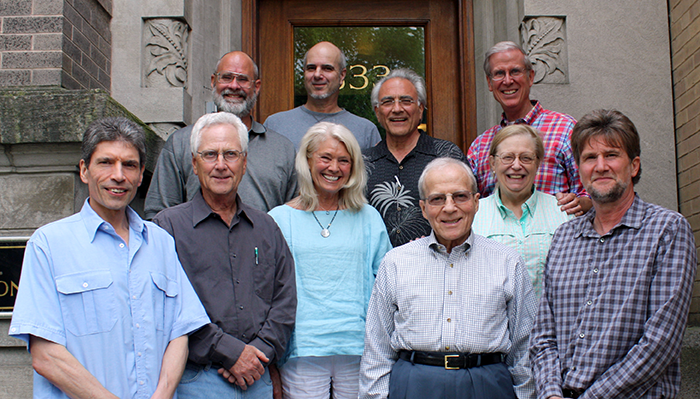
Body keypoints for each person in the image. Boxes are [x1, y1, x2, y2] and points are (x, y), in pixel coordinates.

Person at [8, 117, 209, 399]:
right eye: (106, 162)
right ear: (84, 170)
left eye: (129, 165)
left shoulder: (161, 242)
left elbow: (179, 334)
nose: (119, 175)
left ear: (141, 176)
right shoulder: (49, 244)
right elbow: (45, 356)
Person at [529, 109, 697, 399]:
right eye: (590, 158)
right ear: (579, 169)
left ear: (634, 165)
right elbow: (543, 336)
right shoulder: (564, 237)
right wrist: (551, 394)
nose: (601, 166)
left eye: (612, 155)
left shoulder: (667, 230)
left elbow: (661, 342)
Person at [359, 157, 536, 399]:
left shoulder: (507, 262)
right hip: (414, 386)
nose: (450, 207)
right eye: (437, 199)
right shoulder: (396, 263)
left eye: (460, 196)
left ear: (476, 202)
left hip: (488, 386)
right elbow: (377, 350)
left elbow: (524, 348)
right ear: (423, 208)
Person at [152, 112, 297, 399]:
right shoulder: (167, 229)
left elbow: (285, 298)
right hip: (196, 379)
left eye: (230, 154)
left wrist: (257, 355)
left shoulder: (266, 227)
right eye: (210, 155)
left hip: (258, 377)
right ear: (194, 164)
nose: (220, 165)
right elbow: (169, 307)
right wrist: (231, 354)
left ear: (244, 163)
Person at [268, 122, 392, 398]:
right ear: (308, 160)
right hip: (302, 351)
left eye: (343, 160)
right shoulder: (279, 219)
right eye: (325, 157)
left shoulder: (368, 218)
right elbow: (268, 291)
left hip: (359, 350)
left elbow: (385, 286)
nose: (334, 168)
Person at [145, 51, 297, 217]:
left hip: (263, 242)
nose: (233, 86)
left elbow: (293, 219)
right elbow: (159, 215)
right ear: (213, 81)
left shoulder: (282, 149)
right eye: (226, 77)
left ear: (257, 87)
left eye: (243, 79)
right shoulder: (181, 143)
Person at [467, 41, 590, 216]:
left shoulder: (566, 130)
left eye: (515, 71)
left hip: (556, 239)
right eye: (499, 73)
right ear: (489, 82)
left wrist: (581, 203)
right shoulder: (480, 147)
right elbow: (467, 203)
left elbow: (592, 192)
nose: (508, 81)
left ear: (530, 77)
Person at [364, 68, 467, 246]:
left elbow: (465, 210)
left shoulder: (446, 155)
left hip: (438, 267)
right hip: (375, 271)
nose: (397, 109)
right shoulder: (362, 164)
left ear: (420, 109)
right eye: (388, 102)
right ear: (377, 112)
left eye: (406, 101)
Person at [471, 124, 572, 298]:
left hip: (548, 324)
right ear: (492, 163)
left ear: (538, 163)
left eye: (526, 158)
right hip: (494, 324)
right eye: (507, 157)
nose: (516, 166)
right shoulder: (474, 216)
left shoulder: (563, 213)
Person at [264, 41, 381, 150]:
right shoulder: (275, 125)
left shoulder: (365, 130)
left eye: (327, 68)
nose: (317, 74)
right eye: (311, 68)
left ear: (342, 76)